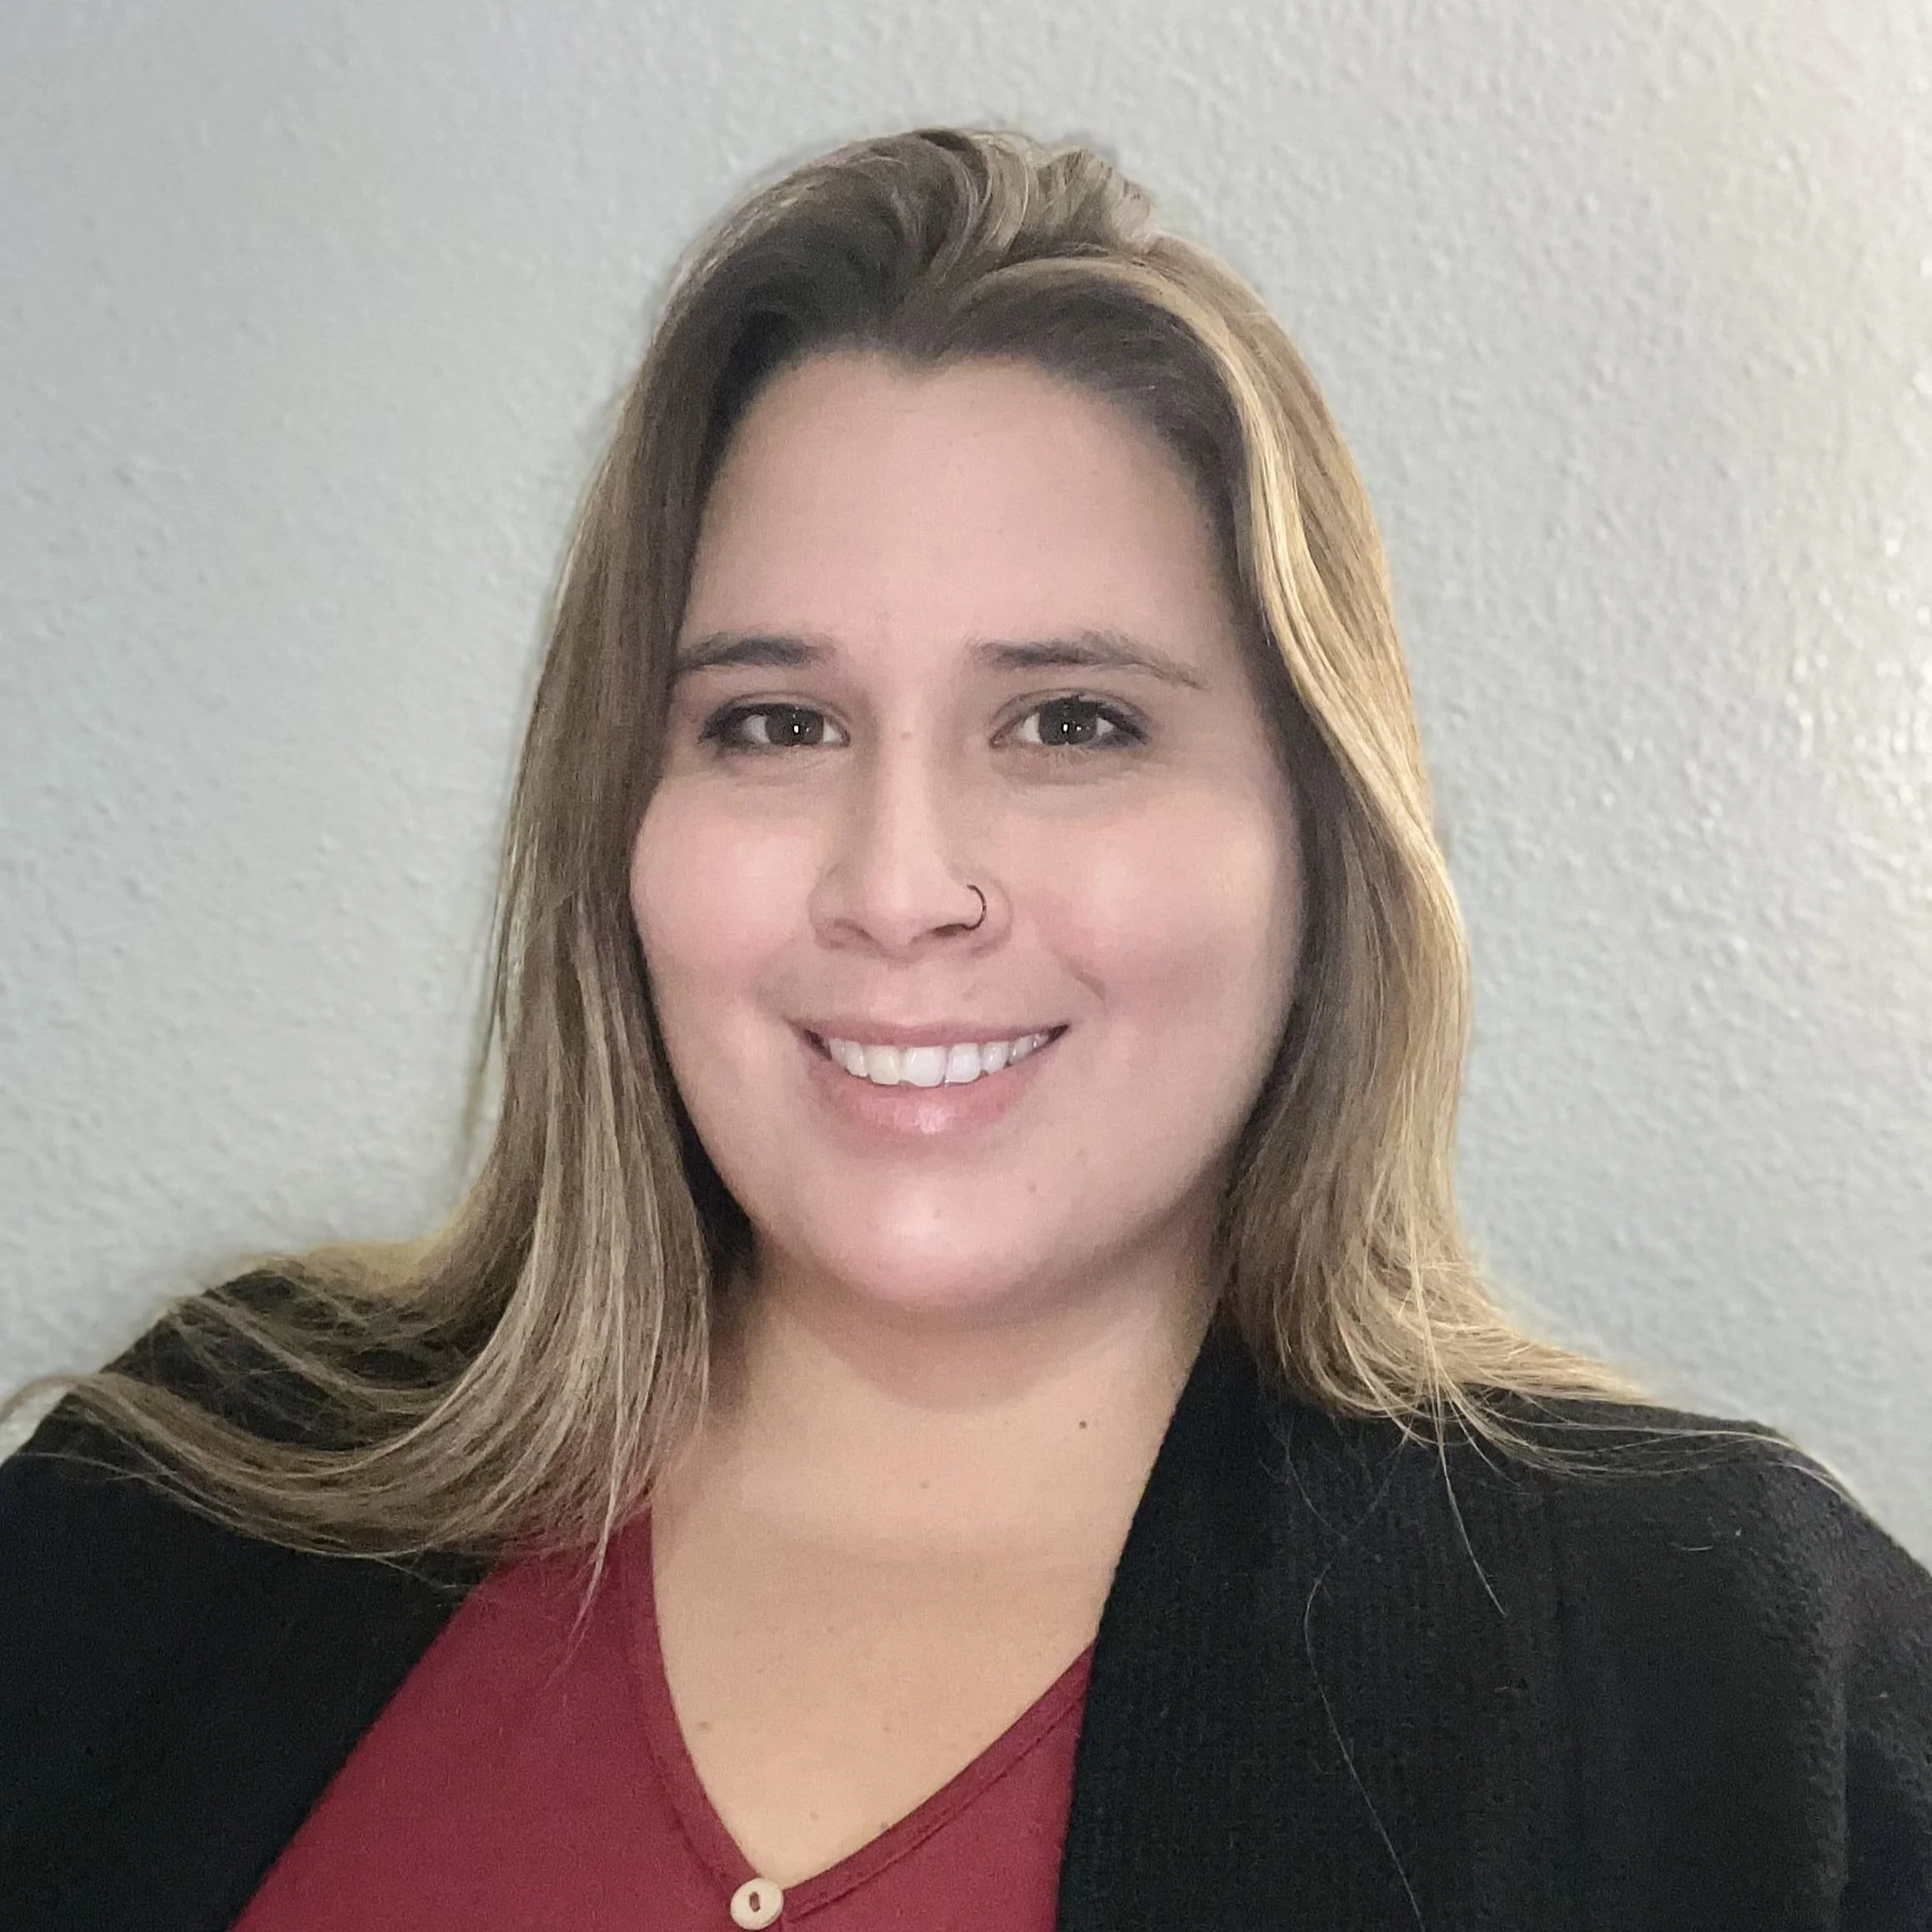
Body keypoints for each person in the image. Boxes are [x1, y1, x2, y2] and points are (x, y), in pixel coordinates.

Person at [3, 124, 1929, 1932]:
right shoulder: (185, 1494)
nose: (901, 880)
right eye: (775, 721)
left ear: (1315, 839)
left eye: (1072, 722)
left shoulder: (1721, 1676)